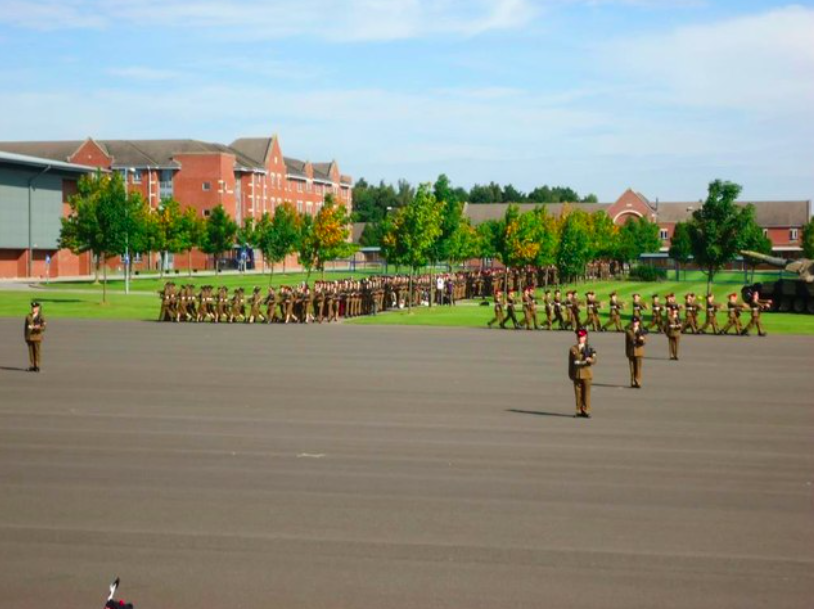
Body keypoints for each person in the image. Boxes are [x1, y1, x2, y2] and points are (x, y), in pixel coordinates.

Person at [568, 328, 596, 418]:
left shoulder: (590, 348)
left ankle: (586, 410)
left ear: (585, 337)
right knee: (578, 393)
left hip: (586, 373)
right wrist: (571, 374)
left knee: (586, 393)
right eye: (579, 337)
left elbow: (595, 360)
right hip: (577, 373)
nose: (580, 338)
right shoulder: (573, 348)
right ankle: (578, 410)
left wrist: (590, 360)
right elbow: (570, 362)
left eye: (582, 337)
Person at [24, 301, 47, 372]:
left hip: (37, 336)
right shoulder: (28, 316)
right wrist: (26, 336)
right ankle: (32, 365)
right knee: (31, 352)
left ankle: (37, 365)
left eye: (35, 308)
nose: (33, 309)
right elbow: (25, 328)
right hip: (30, 337)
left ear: (38, 308)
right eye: (32, 307)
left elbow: (44, 327)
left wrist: (38, 327)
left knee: (37, 352)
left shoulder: (41, 317)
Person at [625, 316, 646, 388]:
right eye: (633, 322)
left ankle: (638, 381)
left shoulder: (641, 330)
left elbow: (644, 341)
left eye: (636, 322)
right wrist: (627, 352)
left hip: (639, 351)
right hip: (631, 351)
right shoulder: (628, 331)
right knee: (632, 369)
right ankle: (633, 381)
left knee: (638, 368)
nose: (635, 323)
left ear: (638, 323)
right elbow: (628, 342)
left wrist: (642, 339)